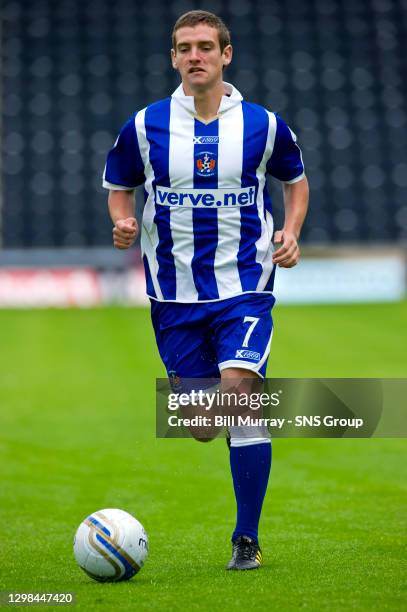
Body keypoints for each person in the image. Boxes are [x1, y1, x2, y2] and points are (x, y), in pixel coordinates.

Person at [103, 10, 309, 570]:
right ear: (173, 58)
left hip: (245, 285)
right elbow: (120, 188)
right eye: (184, 47)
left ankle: (246, 539)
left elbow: (294, 181)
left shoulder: (263, 125)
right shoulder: (144, 127)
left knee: (240, 395)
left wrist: (289, 232)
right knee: (199, 426)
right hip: (173, 296)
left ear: (225, 54)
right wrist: (123, 222)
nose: (195, 55)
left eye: (204, 47)